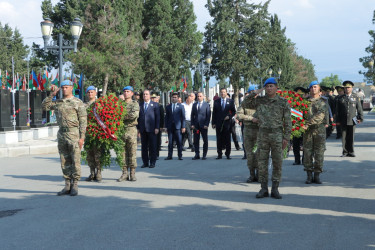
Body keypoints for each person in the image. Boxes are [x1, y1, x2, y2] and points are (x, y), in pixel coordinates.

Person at [241, 77, 291, 199]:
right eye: (267, 86)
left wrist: (286, 138)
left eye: (271, 86)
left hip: (277, 134)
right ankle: (263, 188)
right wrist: (256, 91)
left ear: (276, 87)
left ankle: (275, 188)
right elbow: (245, 103)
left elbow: (288, 121)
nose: (269, 88)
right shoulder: (260, 101)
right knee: (262, 162)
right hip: (262, 134)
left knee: (277, 162)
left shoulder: (283, 102)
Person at [42, 80, 87, 196]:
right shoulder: (58, 102)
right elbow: (44, 106)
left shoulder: (78, 102)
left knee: (75, 160)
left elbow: (83, 121)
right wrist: (52, 94)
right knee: (64, 160)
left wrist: (82, 138)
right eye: (62, 88)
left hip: (74, 134)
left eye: (66, 87)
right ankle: (67, 184)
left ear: (71, 88)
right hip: (62, 134)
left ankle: (75, 184)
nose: (64, 89)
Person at [302, 81, 329, 184]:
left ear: (319, 89)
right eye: (311, 87)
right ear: (309, 89)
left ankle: (317, 174)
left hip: (319, 130)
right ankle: (309, 175)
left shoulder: (323, 101)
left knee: (319, 153)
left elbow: (320, 116)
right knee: (307, 153)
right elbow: (299, 114)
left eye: (315, 87)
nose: (313, 89)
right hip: (307, 131)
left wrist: (307, 124)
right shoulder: (304, 102)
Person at [335, 81, 364, 157]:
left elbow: (359, 108)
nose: (347, 89)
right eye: (346, 87)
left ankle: (351, 151)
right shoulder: (340, 98)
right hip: (343, 120)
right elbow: (337, 110)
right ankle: (344, 152)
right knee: (344, 137)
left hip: (352, 119)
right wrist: (337, 121)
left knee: (351, 137)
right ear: (344, 88)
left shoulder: (355, 97)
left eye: (348, 87)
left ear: (352, 88)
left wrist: (360, 118)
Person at [117, 86, 140, 181]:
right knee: (122, 152)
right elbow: (115, 114)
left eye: (128, 91)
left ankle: (132, 173)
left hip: (131, 130)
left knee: (132, 152)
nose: (126, 93)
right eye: (125, 91)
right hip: (121, 130)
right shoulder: (120, 104)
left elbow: (134, 115)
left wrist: (121, 115)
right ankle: (124, 173)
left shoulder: (135, 104)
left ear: (131, 93)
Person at [237, 86, 259, 183]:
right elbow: (239, 115)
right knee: (250, 155)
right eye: (252, 92)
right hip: (248, 131)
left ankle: (259, 174)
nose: (254, 94)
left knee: (259, 154)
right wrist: (251, 118)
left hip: (259, 131)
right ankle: (251, 174)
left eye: (255, 92)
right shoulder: (244, 103)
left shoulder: (260, 103)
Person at [84, 86, 103, 182]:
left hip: (97, 132)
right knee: (89, 154)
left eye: (92, 92)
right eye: (89, 92)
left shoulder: (99, 104)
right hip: (88, 132)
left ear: (95, 93)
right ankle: (92, 172)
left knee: (98, 153)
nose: (90, 94)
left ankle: (98, 172)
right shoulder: (84, 105)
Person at [137, 90, 160, 168]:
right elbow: (138, 117)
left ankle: (152, 162)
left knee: (152, 146)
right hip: (143, 129)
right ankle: (145, 162)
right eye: (143, 94)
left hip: (152, 129)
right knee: (144, 147)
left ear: (150, 96)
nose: (145, 95)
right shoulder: (140, 105)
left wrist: (157, 127)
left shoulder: (155, 105)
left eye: (146, 94)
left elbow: (157, 117)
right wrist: (138, 128)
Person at [212, 88, 236, 159]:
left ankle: (228, 154)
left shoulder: (231, 101)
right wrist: (213, 123)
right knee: (219, 139)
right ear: (220, 93)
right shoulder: (216, 101)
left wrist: (229, 116)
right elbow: (214, 113)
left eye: (224, 92)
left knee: (227, 139)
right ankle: (219, 154)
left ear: (226, 93)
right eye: (221, 92)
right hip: (218, 123)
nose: (223, 94)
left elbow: (234, 111)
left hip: (227, 123)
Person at [164, 92, 186, 160]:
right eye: (173, 97)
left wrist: (183, 126)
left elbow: (183, 117)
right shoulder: (168, 107)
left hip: (178, 127)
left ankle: (180, 155)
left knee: (179, 141)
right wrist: (165, 126)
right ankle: (170, 155)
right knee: (170, 142)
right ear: (171, 98)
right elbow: (166, 117)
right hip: (170, 127)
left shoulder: (181, 106)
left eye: (175, 97)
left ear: (178, 98)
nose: (174, 98)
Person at [191, 92, 211, 160]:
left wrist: (206, 124)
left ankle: (204, 154)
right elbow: (192, 115)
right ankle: (197, 154)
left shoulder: (206, 105)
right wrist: (192, 124)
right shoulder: (194, 104)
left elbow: (208, 115)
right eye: (198, 96)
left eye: (200, 96)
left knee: (205, 140)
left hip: (203, 126)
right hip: (196, 126)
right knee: (196, 140)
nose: (199, 97)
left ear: (203, 97)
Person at [291, 87, 307, 165]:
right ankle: (297, 160)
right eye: (298, 94)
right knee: (295, 145)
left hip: (304, 126)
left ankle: (304, 159)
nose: (299, 96)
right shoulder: (292, 104)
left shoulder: (307, 103)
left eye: (301, 94)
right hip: (295, 127)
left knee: (305, 144)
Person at [151, 94, 164, 160]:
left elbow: (162, 117)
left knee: (157, 140)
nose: (153, 99)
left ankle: (156, 154)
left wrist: (161, 126)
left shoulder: (160, 106)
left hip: (158, 126)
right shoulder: (149, 105)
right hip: (150, 126)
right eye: (152, 98)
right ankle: (151, 154)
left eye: (154, 98)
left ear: (157, 99)